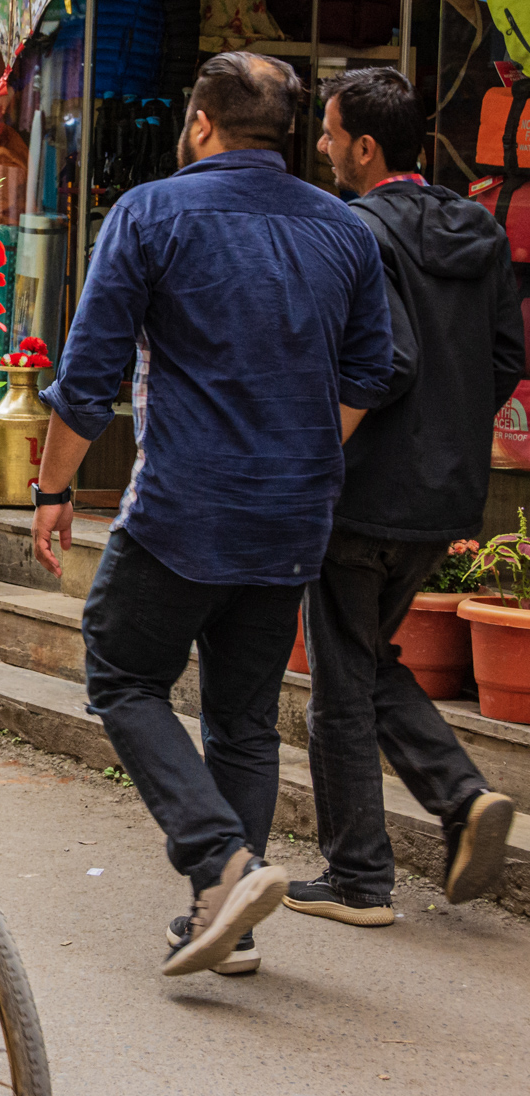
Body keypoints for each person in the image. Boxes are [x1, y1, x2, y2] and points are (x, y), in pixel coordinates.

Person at [29, 51, 394, 978]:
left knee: (119, 674)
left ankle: (222, 863)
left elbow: (86, 381)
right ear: (286, 132)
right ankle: (225, 914)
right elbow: (367, 374)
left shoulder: (152, 212)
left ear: (200, 123)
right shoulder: (345, 231)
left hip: (185, 508)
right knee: (243, 721)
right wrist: (303, 448)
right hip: (294, 513)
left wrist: (53, 490)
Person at [287, 67, 523, 926]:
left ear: (364, 146)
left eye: (328, 130)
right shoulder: (480, 229)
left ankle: (359, 878)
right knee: (364, 659)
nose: (319, 144)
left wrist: (316, 448)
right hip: (446, 496)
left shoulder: (353, 231)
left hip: (360, 491)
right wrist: (450, 431)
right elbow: (506, 357)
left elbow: (381, 362)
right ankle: (460, 799)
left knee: (342, 681)